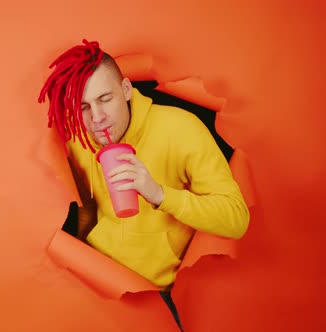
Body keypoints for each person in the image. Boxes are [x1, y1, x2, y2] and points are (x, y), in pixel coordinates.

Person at [38, 39, 250, 330]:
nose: (97, 118)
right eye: (84, 105)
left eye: (105, 99)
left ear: (126, 90)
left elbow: (236, 218)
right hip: (92, 283)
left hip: (153, 294)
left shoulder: (181, 129)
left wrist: (159, 194)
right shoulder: (78, 137)